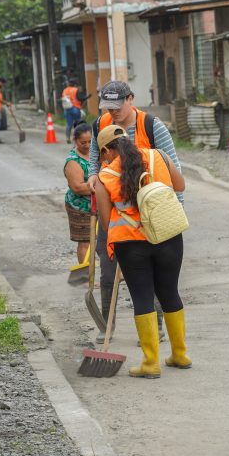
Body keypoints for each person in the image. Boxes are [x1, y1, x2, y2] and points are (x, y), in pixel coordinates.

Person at [86, 81, 181, 343]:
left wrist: (175, 214)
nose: (112, 112)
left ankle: (157, 327)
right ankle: (107, 326)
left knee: (153, 276)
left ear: (131, 99)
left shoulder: (151, 126)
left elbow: (176, 174)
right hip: (117, 217)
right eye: (108, 107)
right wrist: (93, 175)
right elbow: (94, 156)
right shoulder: (100, 125)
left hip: (152, 215)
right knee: (107, 272)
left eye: (117, 106)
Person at [95, 125, 190, 379]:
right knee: (170, 292)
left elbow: (105, 222)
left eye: (103, 154)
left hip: (131, 244)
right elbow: (179, 186)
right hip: (168, 235)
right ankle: (180, 354)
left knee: (143, 297)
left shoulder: (105, 176)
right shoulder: (158, 156)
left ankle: (151, 363)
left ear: (106, 151)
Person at [63, 123, 92, 264]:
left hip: (97, 204)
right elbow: (77, 187)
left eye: (90, 141)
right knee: (85, 242)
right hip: (80, 207)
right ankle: (86, 277)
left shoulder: (96, 153)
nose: (87, 145)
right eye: (83, 142)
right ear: (75, 140)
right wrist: (101, 185)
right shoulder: (73, 161)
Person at [61, 79, 91, 143]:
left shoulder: (64, 90)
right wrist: (87, 97)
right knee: (78, 124)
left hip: (67, 109)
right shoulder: (75, 90)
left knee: (69, 124)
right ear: (75, 84)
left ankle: (68, 138)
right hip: (75, 109)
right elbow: (80, 98)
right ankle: (77, 138)